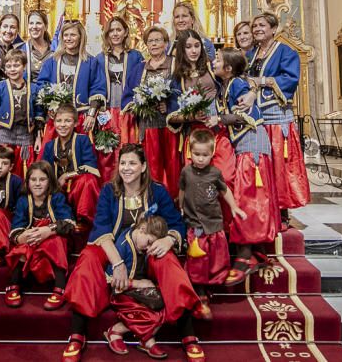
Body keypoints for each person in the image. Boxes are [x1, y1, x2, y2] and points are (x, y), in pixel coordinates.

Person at [61, 145, 204, 362]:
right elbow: (101, 228)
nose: (126, 168)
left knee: (169, 261)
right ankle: (77, 333)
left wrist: (168, 239)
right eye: (123, 163)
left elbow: (177, 223)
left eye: (132, 163)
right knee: (88, 258)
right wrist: (117, 263)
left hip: (147, 253)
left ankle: (188, 335)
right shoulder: (109, 191)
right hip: (114, 251)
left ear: (143, 166)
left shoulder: (157, 191)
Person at [211, 48, 278, 284]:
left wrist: (217, 119)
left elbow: (242, 115)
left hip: (252, 146)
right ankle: (252, 248)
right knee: (244, 196)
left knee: (249, 198)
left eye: (217, 60)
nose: (213, 61)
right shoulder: (227, 85)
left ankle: (247, 255)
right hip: (244, 145)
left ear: (228, 69)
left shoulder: (238, 84)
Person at [247, 13, 311, 222]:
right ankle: (263, 205)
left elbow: (290, 78)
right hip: (255, 115)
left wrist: (261, 81)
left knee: (278, 163)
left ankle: (282, 208)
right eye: (255, 25)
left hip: (276, 116)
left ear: (273, 29)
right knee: (261, 162)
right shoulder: (252, 54)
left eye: (262, 25)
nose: (257, 28)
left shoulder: (285, 51)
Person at [179, 129, 247, 318]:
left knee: (216, 255)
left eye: (205, 155)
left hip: (214, 223)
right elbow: (182, 190)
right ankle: (199, 289)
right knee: (197, 258)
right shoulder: (186, 172)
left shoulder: (215, 173)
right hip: (195, 225)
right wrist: (182, 207)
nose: (200, 159)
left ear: (212, 154)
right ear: (190, 153)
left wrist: (233, 207)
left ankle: (213, 281)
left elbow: (225, 191)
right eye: (197, 154)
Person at [5, 160, 76, 311]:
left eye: (42, 179)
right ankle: (14, 284)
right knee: (22, 248)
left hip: (53, 243)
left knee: (55, 241)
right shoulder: (24, 201)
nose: (37, 184)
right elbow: (15, 228)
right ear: (28, 182)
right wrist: (22, 236)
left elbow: (69, 223)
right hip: (32, 243)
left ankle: (60, 287)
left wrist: (48, 230)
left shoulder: (57, 198)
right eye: (33, 179)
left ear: (50, 181)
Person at [166, 30, 235, 184]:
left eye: (197, 46)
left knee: (226, 176)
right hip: (195, 135)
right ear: (182, 50)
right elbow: (171, 116)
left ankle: (223, 209)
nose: (194, 50)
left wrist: (251, 91)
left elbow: (235, 75)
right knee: (198, 181)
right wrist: (192, 116)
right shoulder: (177, 79)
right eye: (189, 47)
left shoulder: (212, 67)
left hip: (219, 130)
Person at [104, 214, 172, 358]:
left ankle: (135, 336)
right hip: (122, 293)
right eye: (148, 242)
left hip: (139, 291)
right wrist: (139, 284)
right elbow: (110, 280)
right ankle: (129, 334)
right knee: (151, 315)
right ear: (142, 229)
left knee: (169, 305)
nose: (148, 249)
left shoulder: (140, 241)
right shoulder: (122, 246)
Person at [123, 25, 179, 197]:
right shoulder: (140, 68)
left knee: (172, 166)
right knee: (151, 165)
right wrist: (139, 105)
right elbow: (127, 95)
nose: (154, 44)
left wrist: (169, 107)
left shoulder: (175, 64)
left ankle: (173, 202)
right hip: (148, 127)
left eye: (158, 40)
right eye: (150, 41)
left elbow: (183, 91)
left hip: (171, 126)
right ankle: (152, 201)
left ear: (165, 43)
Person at [36, 20, 107, 140]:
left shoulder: (91, 62)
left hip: (81, 119)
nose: (69, 38)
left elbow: (98, 89)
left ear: (81, 37)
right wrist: (50, 106)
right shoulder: (51, 62)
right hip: (57, 120)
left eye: (73, 35)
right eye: (66, 35)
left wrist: (91, 115)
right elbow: (41, 86)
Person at [94, 16, 143, 179]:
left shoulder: (136, 56)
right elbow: (95, 85)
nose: (115, 34)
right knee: (107, 151)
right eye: (111, 30)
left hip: (128, 111)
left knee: (128, 147)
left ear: (125, 32)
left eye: (118, 30)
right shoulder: (100, 58)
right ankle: (109, 187)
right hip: (107, 111)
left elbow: (141, 82)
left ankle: (130, 185)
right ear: (107, 34)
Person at [40, 103, 101, 228]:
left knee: (88, 180)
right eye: (59, 121)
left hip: (78, 190)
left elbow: (91, 167)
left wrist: (67, 176)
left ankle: (84, 220)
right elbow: (43, 170)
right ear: (54, 123)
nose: (62, 125)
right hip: (57, 190)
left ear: (76, 123)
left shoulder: (82, 140)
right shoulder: (49, 146)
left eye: (67, 121)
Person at [0, 48, 43, 177]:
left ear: (24, 67)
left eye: (16, 65)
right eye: (9, 66)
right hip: (4, 134)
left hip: (25, 136)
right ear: (5, 69)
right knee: (2, 169)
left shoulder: (34, 88)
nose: (12, 69)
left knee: (24, 171)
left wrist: (38, 137)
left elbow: (39, 115)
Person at [23, 10, 54, 83]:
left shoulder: (54, 49)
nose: (34, 27)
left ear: (46, 27)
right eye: (31, 23)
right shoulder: (22, 50)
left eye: (38, 23)